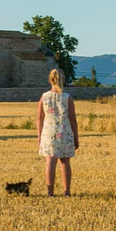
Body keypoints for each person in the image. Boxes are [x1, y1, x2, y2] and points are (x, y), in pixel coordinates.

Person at [37, 68, 79, 197]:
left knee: (50, 161)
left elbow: (39, 118)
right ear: (63, 80)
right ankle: (67, 192)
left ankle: (50, 193)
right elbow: (73, 119)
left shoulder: (44, 96)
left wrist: (39, 137)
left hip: (48, 133)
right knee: (65, 161)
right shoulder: (67, 97)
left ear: (50, 80)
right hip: (65, 132)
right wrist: (76, 137)